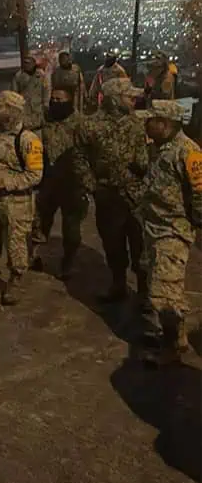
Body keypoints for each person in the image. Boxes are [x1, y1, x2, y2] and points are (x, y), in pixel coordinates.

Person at [135, 100, 202, 364]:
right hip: (155, 227)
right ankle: (178, 337)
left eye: (151, 120)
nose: (146, 124)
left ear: (165, 124)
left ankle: (171, 347)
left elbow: (199, 193)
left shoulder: (188, 152)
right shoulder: (161, 147)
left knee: (163, 294)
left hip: (173, 231)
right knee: (165, 287)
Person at [74, 77, 150, 301]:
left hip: (136, 195)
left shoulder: (136, 123)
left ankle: (145, 292)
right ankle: (118, 285)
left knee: (141, 245)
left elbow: (144, 158)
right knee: (113, 244)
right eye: (129, 96)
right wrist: (92, 186)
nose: (133, 100)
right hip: (107, 196)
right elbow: (79, 158)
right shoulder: (89, 125)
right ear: (114, 99)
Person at [0, 91, 44, 305]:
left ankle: (15, 282)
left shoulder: (27, 139)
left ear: (12, 112)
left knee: (17, 247)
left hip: (17, 205)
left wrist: (6, 182)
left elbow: (35, 175)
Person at [31, 89, 88, 278]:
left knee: (71, 228)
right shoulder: (47, 118)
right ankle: (34, 256)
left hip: (72, 182)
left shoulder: (80, 123)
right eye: (53, 99)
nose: (55, 102)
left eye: (60, 99)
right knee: (39, 221)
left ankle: (68, 263)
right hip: (48, 180)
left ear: (70, 101)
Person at [13, 56, 49, 133]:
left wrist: (46, 104)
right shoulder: (18, 76)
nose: (27, 65)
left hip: (38, 108)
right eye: (25, 63)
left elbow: (46, 90)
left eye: (29, 63)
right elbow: (14, 93)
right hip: (24, 109)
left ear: (33, 63)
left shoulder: (41, 75)